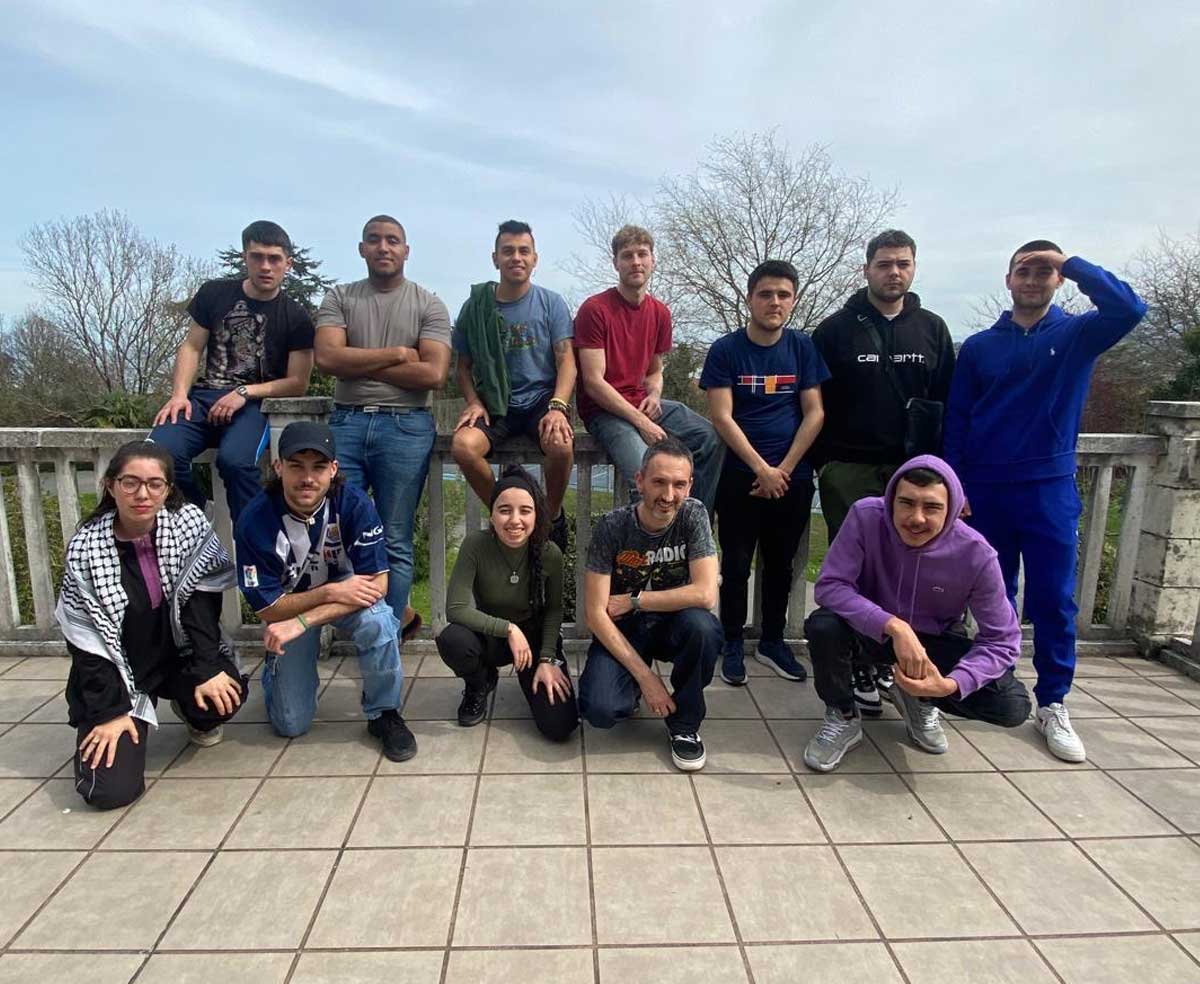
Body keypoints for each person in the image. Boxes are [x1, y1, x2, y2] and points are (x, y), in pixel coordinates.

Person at [945, 243, 1147, 763]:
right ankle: (996, 683)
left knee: (1054, 598)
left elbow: (1130, 309)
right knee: (990, 596)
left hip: (1048, 488)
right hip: (986, 489)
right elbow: (957, 419)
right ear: (1008, 279)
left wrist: (1072, 264)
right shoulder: (980, 347)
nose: (1033, 279)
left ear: (1058, 280)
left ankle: (1053, 701)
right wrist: (956, 486)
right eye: (1024, 270)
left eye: (1044, 271)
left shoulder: (1077, 335)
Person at [802, 457, 1031, 772]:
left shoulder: (976, 554)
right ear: (891, 500)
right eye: (906, 503)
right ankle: (843, 714)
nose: (916, 518)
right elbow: (830, 585)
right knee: (823, 626)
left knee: (1012, 705)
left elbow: (1002, 640)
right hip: (870, 632)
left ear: (952, 509)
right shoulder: (866, 517)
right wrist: (894, 626)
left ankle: (920, 697)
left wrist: (951, 685)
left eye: (932, 507)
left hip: (932, 641)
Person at [811, 229, 955, 714]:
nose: (894, 272)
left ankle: (896, 664)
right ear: (867, 268)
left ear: (913, 268)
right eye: (885, 263)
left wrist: (947, 476)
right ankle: (856, 665)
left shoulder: (932, 329)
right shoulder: (835, 331)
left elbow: (947, 404)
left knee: (909, 573)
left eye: (903, 264)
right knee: (851, 571)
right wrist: (825, 465)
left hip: (914, 474)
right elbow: (813, 404)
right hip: (848, 468)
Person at [57, 441, 247, 809]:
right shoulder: (86, 548)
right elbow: (85, 642)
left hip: (178, 655)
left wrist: (207, 667)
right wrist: (109, 713)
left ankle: (192, 711)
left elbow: (201, 605)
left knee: (224, 693)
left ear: (168, 489)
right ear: (110, 485)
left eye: (154, 484)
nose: (142, 494)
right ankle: (123, 716)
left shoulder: (187, 524)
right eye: (130, 482)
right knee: (109, 792)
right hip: (119, 670)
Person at [234, 421, 416, 761]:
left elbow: (379, 584)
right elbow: (268, 608)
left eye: (318, 467)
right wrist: (329, 593)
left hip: (339, 600)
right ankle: (275, 673)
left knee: (379, 621)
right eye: (296, 466)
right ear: (278, 467)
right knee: (291, 724)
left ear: (333, 469)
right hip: (292, 606)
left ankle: (384, 713)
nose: (307, 478)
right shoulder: (254, 521)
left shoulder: (355, 503)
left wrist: (307, 619)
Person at [313, 215, 451, 636]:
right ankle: (355, 628)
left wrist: (358, 361)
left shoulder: (429, 304)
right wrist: (398, 354)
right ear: (362, 249)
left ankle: (387, 634)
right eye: (374, 240)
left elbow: (433, 375)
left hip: (406, 427)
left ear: (406, 250)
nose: (383, 247)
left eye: (392, 240)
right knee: (337, 531)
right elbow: (328, 358)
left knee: (394, 537)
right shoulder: (340, 297)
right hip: (347, 423)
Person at [701, 259, 828, 685]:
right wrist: (761, 467)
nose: (775, 302)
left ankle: (773, 641)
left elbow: (815, 412)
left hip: (792, 477)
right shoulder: (726, 350)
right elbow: (721, 415)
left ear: (793, 300)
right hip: (740, 476)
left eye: (783, 295)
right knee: (736, 564)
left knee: (780, 565)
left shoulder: (802, 347)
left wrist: (783, 469)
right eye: (766, 294)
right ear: (750, 298)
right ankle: (732, 642)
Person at [150, 220, 314, 523]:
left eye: (274, 259)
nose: (265, 266)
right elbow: (191, 347)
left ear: (287, 264)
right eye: (257, 257)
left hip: (252, 405)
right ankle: (196, 512)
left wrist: (244, 392)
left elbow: (298, 382)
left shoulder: (295, 316)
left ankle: (253, 537)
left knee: (236, 463)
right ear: (245, 257)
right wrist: (179, 394)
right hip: (203, 397)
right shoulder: (214, 294)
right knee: (157, 455)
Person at [579, 437, 722, 771]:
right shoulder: (613, 526)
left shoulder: (694, 514)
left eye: (679, 484)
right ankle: (631, 685)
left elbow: (705, 594)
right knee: (600, 710)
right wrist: (647, 679)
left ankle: (685, 725)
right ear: (640, 480)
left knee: (704, 628)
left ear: (690, 486)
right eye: (659, 482)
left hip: (672, 623)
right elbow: (595, 614)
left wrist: (635, 601)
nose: (668, 495)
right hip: (625, 630)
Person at [574, 224, 723, 512]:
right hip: (604, 411)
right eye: (627, 255)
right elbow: (594, 382)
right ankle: (648, 539)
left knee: (709, 439)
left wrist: (654, 395)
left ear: (653, 260)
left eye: (642, 254)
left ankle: (692, 525)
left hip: (641, 402)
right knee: (647, 476)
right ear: (616, 263)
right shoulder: (595, 310)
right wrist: (643, 423)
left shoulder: (660, 313)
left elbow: (655, 371)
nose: (636, 262)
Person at [450, 221, 576, 549]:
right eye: (508, 251)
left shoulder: (551, 303)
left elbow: (567, 360)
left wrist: (558, 406)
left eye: (523, 251)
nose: (516, 257)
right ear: (495, 258)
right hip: (495, 403)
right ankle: (504, 512)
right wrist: (473, 401)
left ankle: (550, 517)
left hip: (540, 400)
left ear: (535, 259)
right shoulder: (476, 306)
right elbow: (463, 367)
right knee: (463, 447)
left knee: (561, 444)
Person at [436, 465, 578, 740]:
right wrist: (509, 629)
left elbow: (554, 610)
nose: (515, 520)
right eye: (504, 510)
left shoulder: (549, 552)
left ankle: (536, 674)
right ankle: (479, 683)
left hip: (534, 639)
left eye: (525, 511)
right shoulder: (475, 545)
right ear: (491, 515)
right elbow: (455, 608)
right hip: (492, 636)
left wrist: (547, 657)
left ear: (536, 515)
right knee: (453, 639)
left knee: (560, 726)